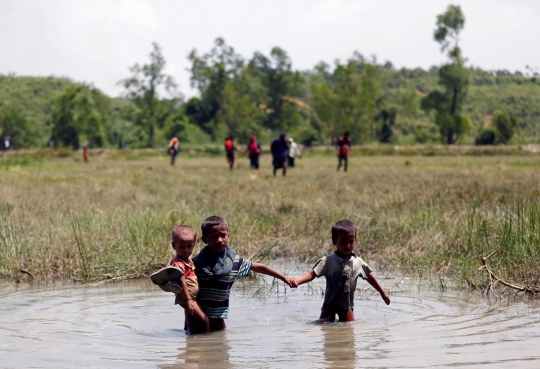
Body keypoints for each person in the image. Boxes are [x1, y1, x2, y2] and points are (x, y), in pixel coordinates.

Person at [192, 216, 295, 332]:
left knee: (220, 344)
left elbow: (259, 267)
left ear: (228, 235)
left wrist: (283, 277)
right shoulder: (198, 262)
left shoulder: (235, 262)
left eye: (223, 235)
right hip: (197, 318)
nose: (220, 240)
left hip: (219, 318)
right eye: (214, 237)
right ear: (205, 239)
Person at [291, 219, 390, 322]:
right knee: (322, 326)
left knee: (348, 330)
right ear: (334, 241)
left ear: (355, 240)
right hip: (329, 304)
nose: (347, 246)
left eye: (351, 242)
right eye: (343, 242)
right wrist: (298, 281)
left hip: (346, 306)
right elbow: (312, 274)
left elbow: (369, 277)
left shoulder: (357, 262)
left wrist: (382, 293)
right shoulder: (328, 261)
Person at [169, 225, 210, 333]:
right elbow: (182, 282)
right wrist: (189, 300)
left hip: (191, 298)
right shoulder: (178, 264)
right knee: (205, 320)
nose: (186, 250)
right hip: (187, 298)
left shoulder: (187, 260)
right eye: (182, 247)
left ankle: (190, 339)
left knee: (191, 323)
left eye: (189, 246)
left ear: (194, 245)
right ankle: (207, 341)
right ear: (174, 246)